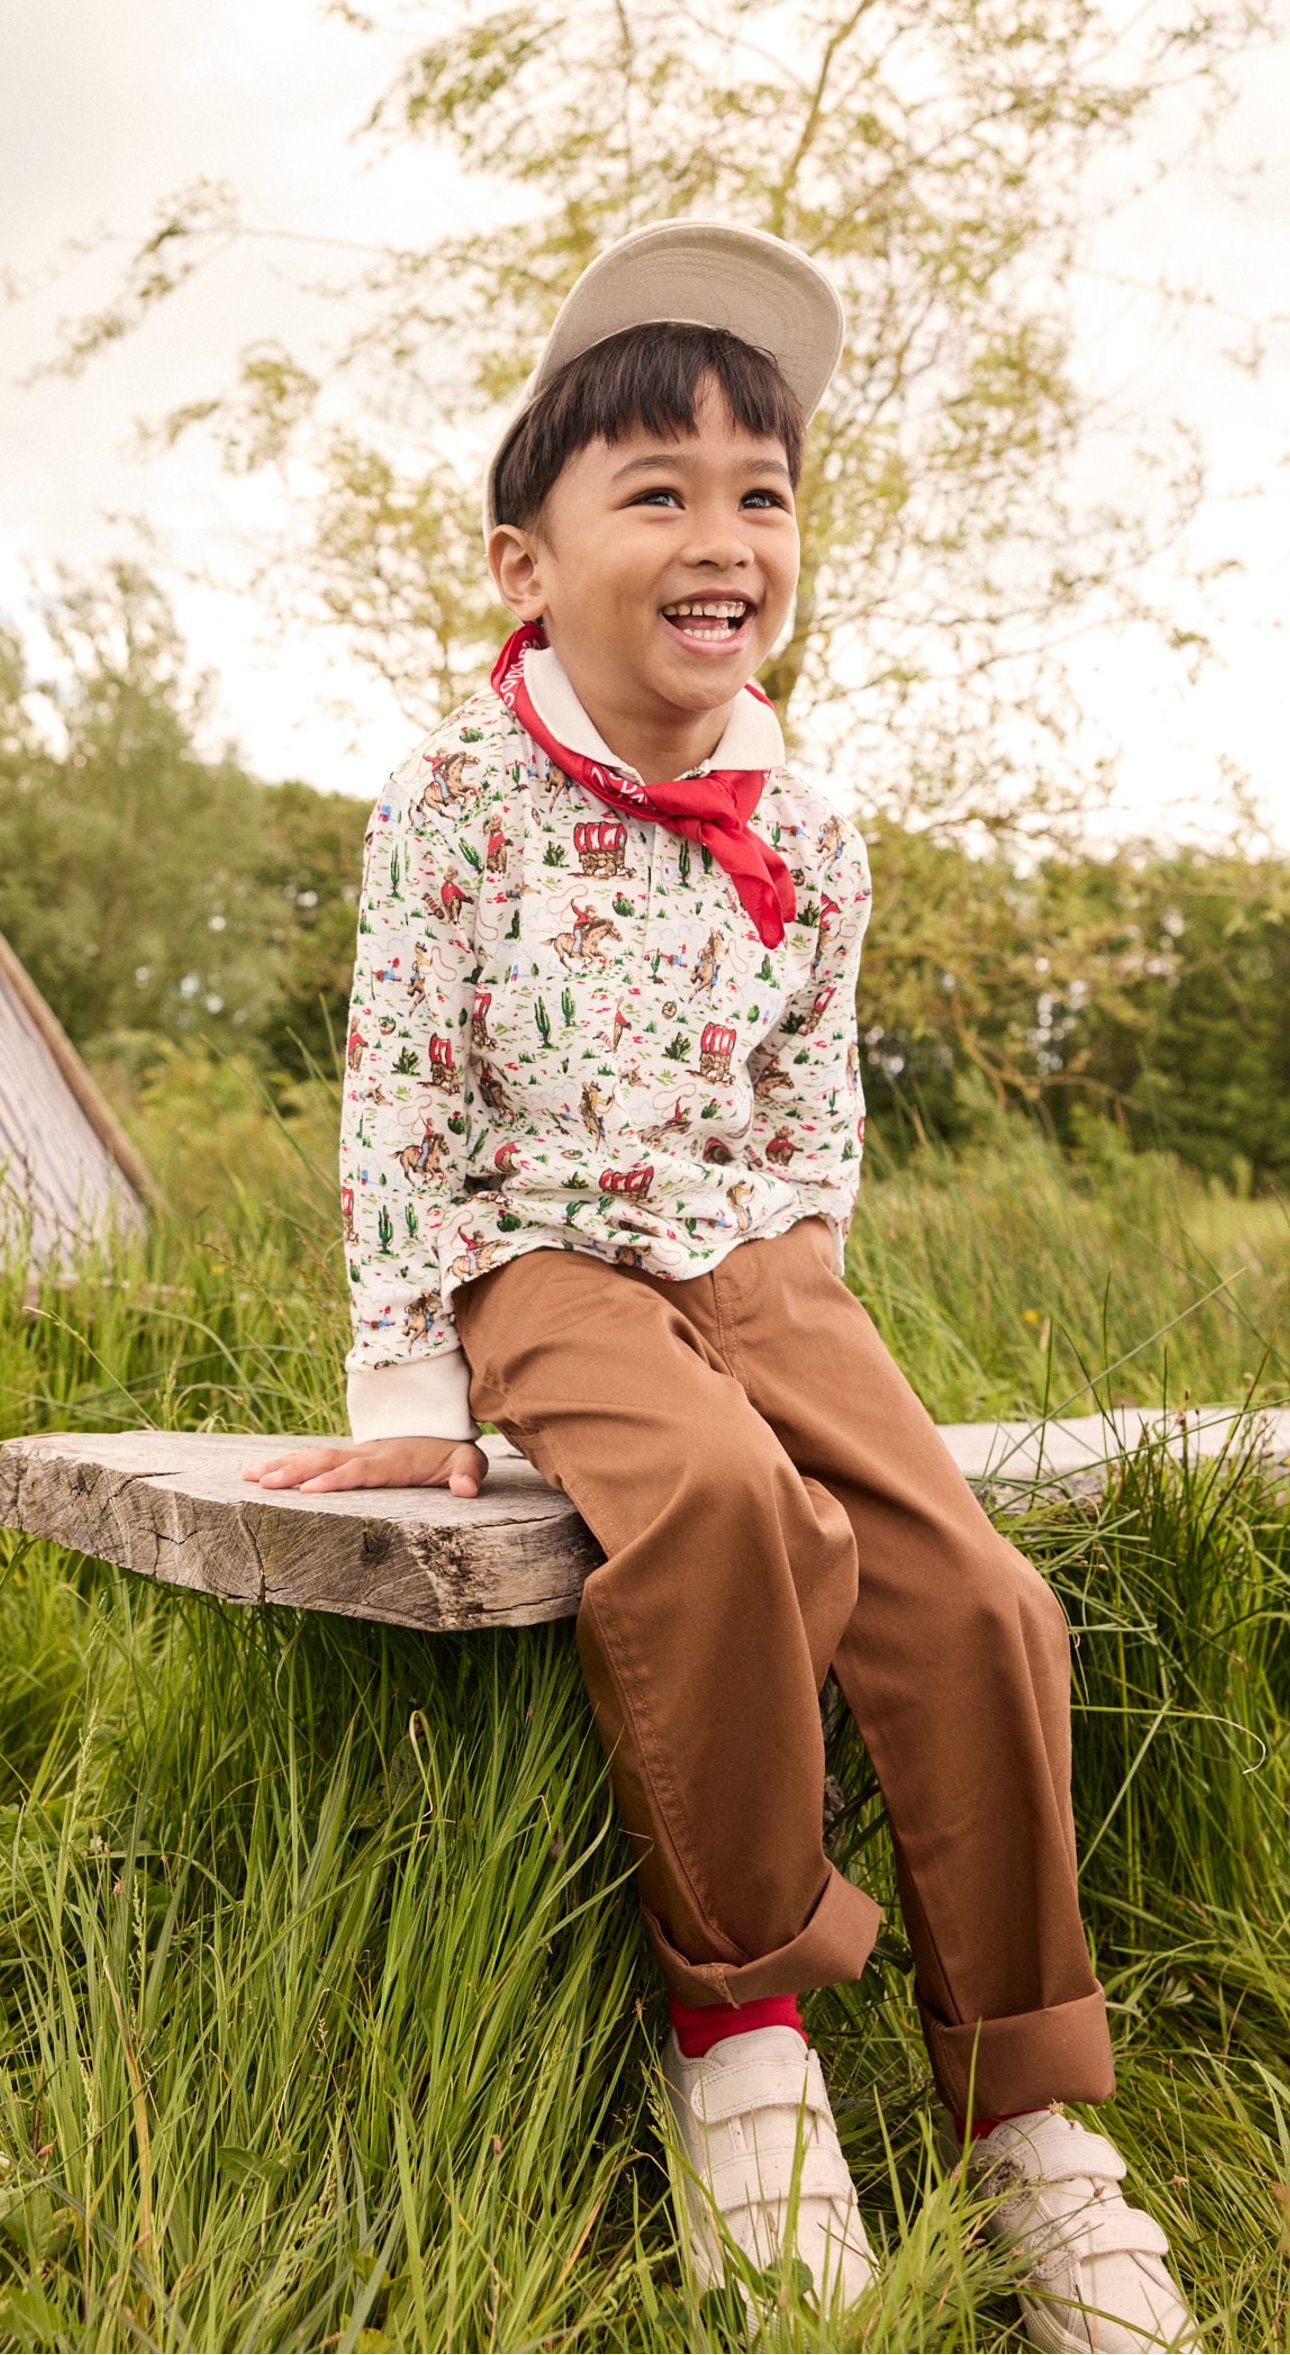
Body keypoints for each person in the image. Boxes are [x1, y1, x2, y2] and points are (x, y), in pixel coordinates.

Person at [245, 222, 1198, 2350]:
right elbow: (400, 1095)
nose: (722, 535)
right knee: (725, 1515)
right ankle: (744, 2038)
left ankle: (1031, 2116)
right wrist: (412, 1380)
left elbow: (808, 1096)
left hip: (761, 1257)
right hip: (545, 1258)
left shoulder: (813, 817)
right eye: (655, 491)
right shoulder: (450, 807)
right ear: (526, 563)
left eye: (760, 494)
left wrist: (799, 1316)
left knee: (974, 1590)